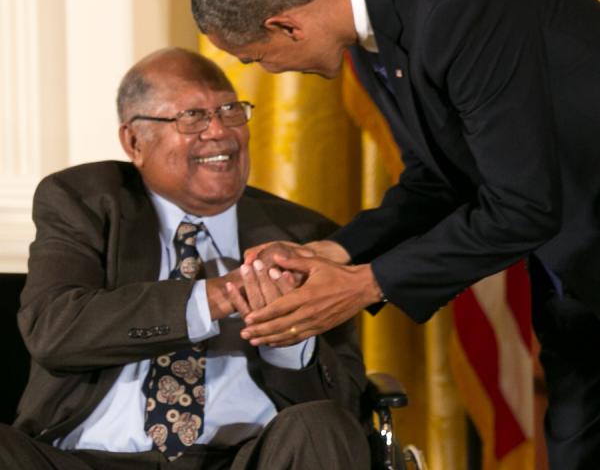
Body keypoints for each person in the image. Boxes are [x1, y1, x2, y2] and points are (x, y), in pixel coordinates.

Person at [191, 0, 600, 469]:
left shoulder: (454, 10)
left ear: (285, 25)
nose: (268, 71)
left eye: (256, 58)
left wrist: (365, 285)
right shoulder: (373, 20)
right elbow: (440, 179)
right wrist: (335, 254)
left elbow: (522, 206)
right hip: (576, 277)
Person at [1, 47, 370, 470]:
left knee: (321, 425)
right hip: (84, 459)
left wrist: (290, 331)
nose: (219, 132)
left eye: (231, 111)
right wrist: (217, 296)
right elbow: (55, 332)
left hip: (245, 459)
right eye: (192, 117)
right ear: (134, 141)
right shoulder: (85, 202)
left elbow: (344, 405)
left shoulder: (307, 236)